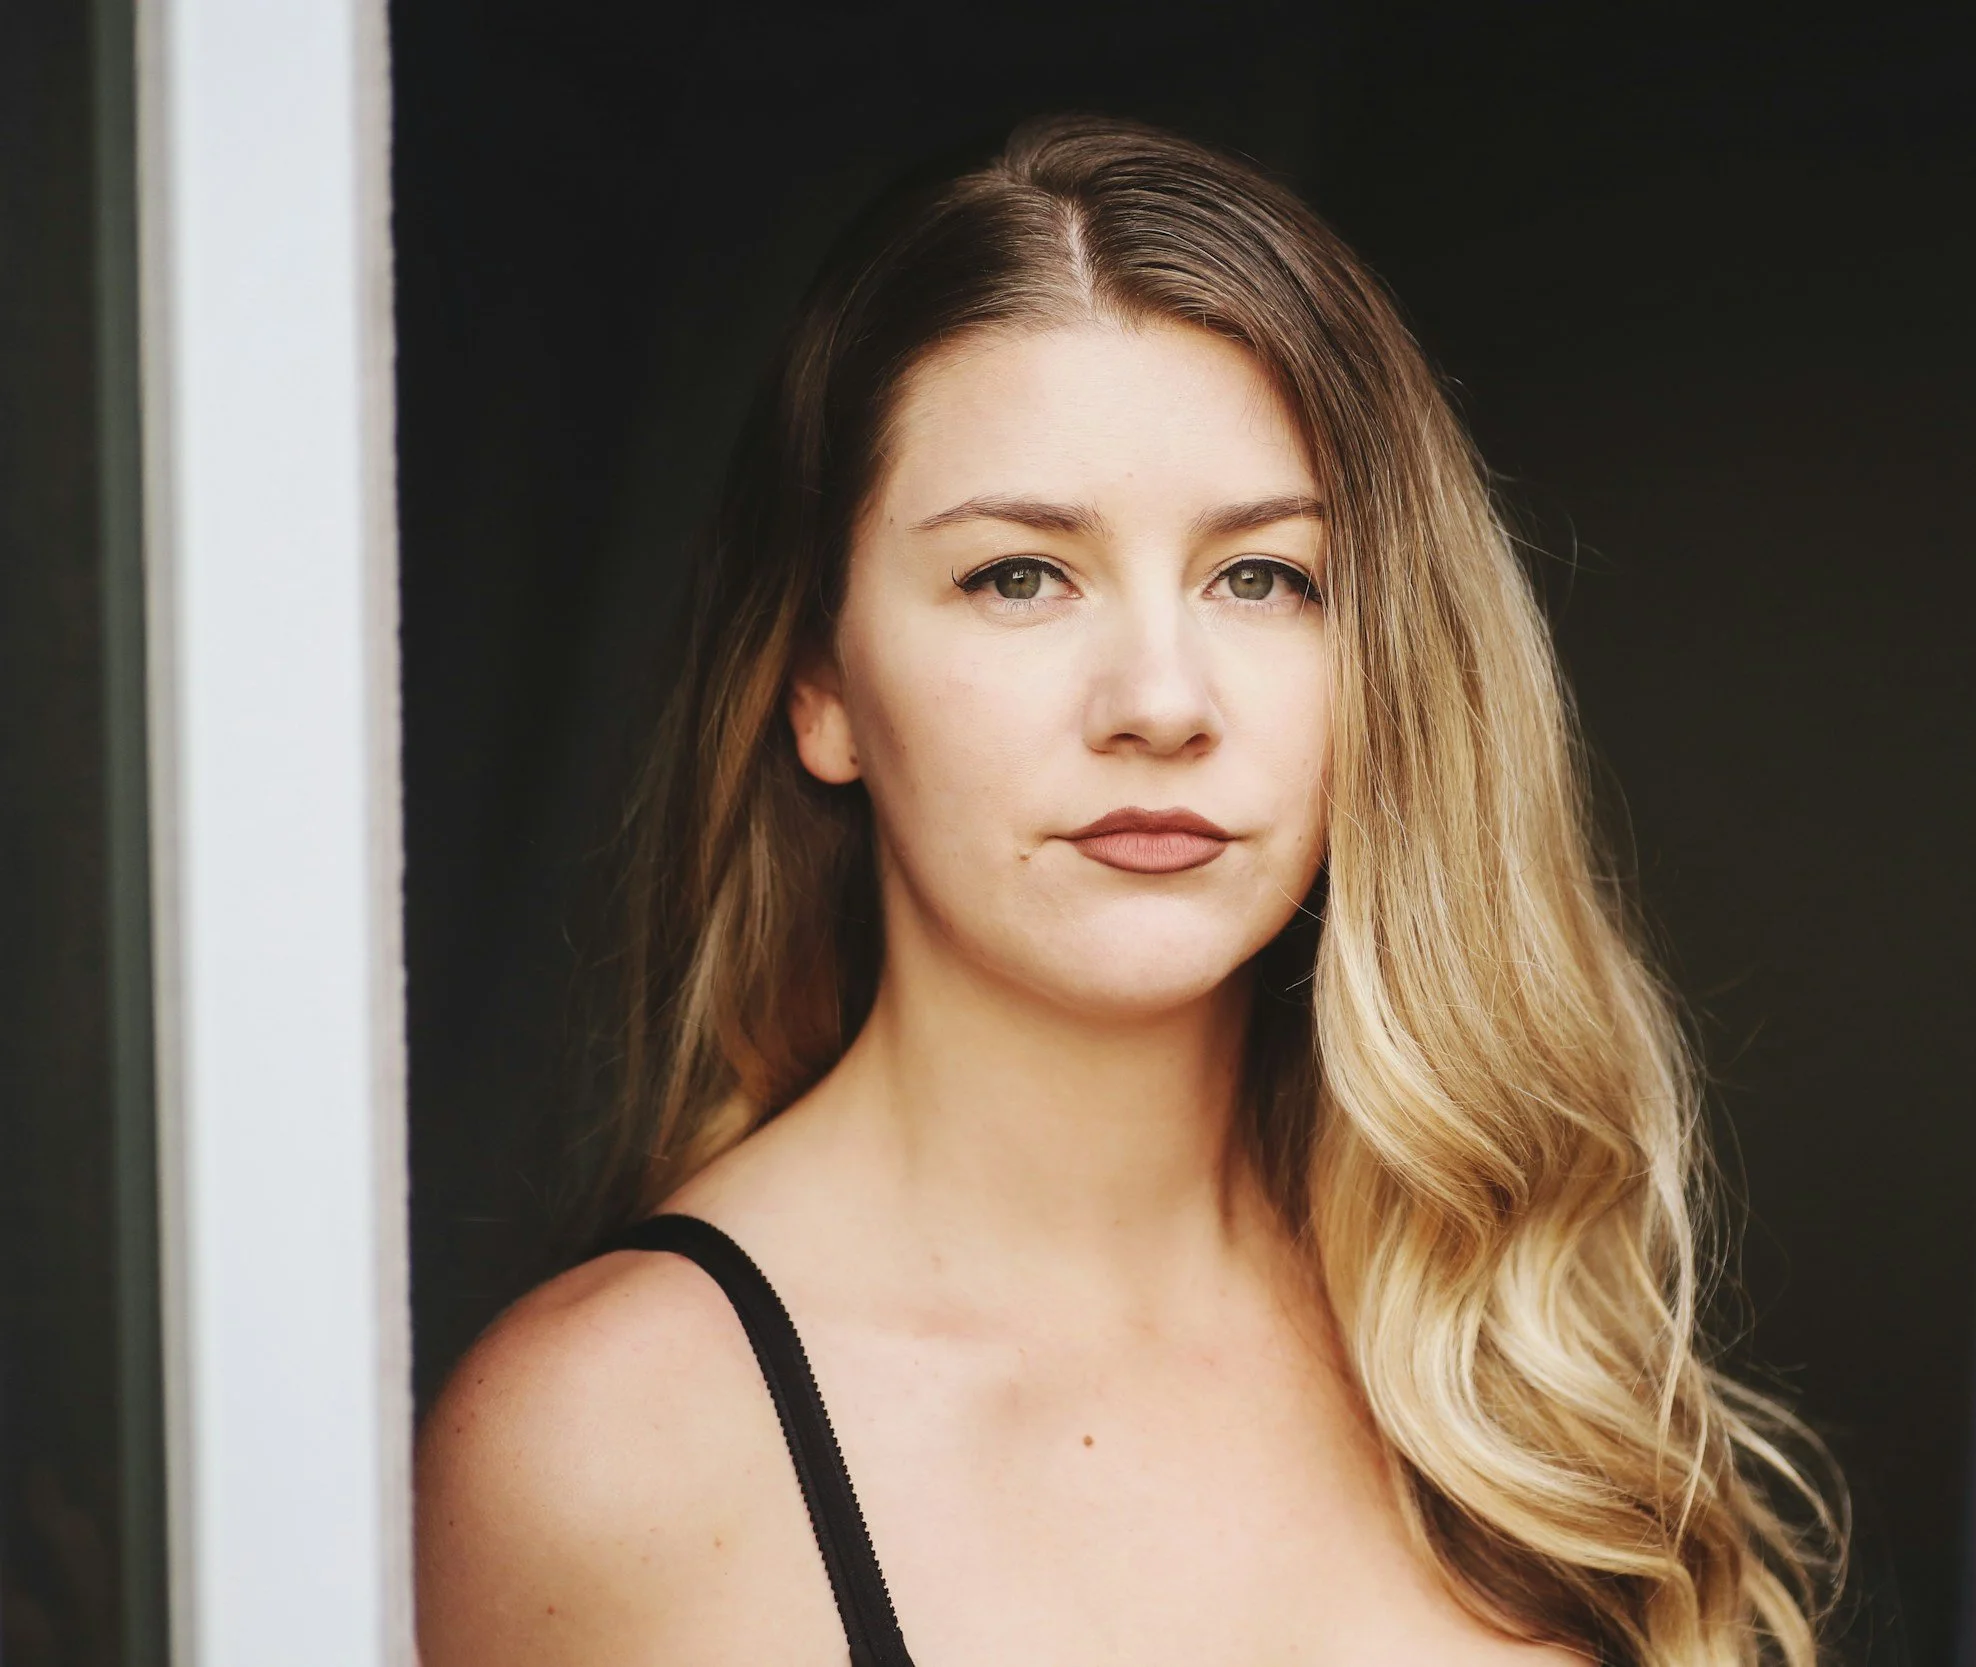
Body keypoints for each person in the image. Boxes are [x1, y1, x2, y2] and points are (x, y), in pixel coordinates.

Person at [415, 115, 1834, 1667]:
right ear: (817, 678)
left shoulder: (1509, 1356)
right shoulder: (613, 1446)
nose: (1162, 699)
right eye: (1019, 574)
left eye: (1264, 577)